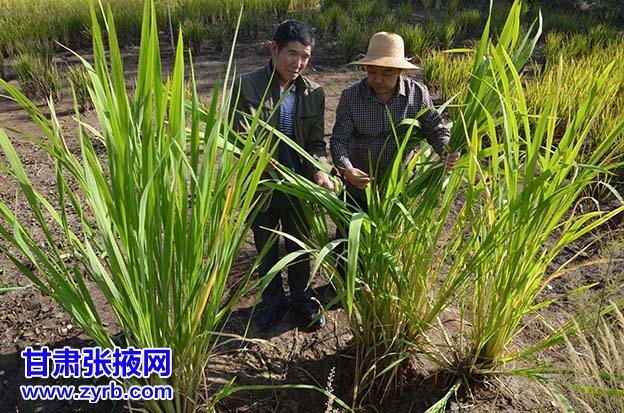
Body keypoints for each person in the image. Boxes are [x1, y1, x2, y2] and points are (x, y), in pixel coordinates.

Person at [232, 20, 334, 330]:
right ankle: (273, 303)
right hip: (262, 187)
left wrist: (320, 171)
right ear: (274, 49)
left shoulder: (314, 93)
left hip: (300, 188)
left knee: (300, 247)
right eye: (292, 54)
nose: (298, 63)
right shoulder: (247, 87)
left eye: (305, 56)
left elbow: (317, 143)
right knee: (266, 248)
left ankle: (302, 302)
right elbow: (240, 138)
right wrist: (266, 165)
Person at [331, 31, 459, 209]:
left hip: (399, 189)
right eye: (371, 71)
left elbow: (435, 128)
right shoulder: (351, 97)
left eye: (387, 73)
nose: (378, 79)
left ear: (400, 71)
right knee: (349, 235)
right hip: (358, 190)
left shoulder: (417, 94)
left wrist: (446, 150)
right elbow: (339, 139)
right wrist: (347, 169)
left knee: (392, 236)